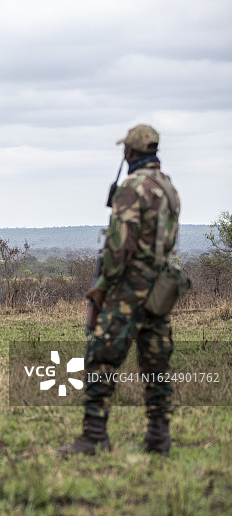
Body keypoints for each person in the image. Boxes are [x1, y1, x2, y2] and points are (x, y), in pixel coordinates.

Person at [60, 124, 181, 457]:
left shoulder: (133, 187)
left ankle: (94, 436)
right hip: (161, 286)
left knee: (101, 356)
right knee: (156, 360)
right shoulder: (168, 188)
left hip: (130, 287)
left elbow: (120, 247)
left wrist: (103, 284)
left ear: (130, 152)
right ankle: (159, 437)